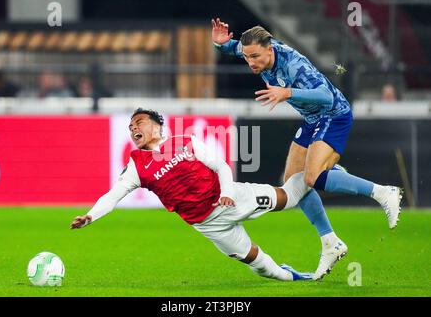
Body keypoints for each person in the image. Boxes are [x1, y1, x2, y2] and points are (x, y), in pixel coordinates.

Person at [211, 18, 403, 280]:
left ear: (270, 49)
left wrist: (287, 93)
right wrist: (219, 43)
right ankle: (330, 242)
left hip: (333, 115)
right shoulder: (255, 51)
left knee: (311, 178)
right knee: (292, 182)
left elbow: (325, 95)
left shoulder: (293, 64)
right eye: (247, 58)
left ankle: (382, 192)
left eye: (255, 56)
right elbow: (233, 47)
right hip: (313, 120)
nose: (251, 62)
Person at [71, 108, 318, 282]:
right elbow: (113, 196)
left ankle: (320, 170)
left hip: (231, 198)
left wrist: (228, 193)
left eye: (140, 122)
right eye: (130, 127)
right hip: (207, 224)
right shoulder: (137, 166)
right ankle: (292, 276)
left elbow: (221, 166)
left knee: (288, 198)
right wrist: (90, 216)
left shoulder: (186, 141)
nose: (134, 127)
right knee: (257, 262)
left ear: (157, 125)